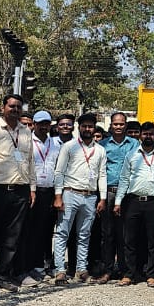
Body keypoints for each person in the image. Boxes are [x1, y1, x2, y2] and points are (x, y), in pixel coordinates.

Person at [0, 93, 35, 291]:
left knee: (12, 236)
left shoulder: (27, 132)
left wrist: (32, 188)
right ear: (3, 108)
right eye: (12, 106)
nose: (15, 110)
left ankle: (3, 275)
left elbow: (30, 162)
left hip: (20, 190)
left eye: (19, 107)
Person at [52, 114, 106, 283]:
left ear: (94, 128)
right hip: (70, 193)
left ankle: (81, 269)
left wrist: (102, 198)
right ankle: (60, 269)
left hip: (90, 196)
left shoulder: (100, 150)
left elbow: (102, 175)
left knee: (84, 234)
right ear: (79, 127)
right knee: (62, 233)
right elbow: (59, 172)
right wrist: (58, 196)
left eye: (90, 126)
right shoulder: (69, 147)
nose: (87, 129)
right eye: (84, 126)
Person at [115, 122, 154, 288]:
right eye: (145, 134)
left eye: (151, 134)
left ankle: (151, 274)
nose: (148, 137)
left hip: (153, 201)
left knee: (153, 240)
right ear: (140, 135)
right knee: (129, 239)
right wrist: (118, 202)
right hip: (133, 201)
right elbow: (124, 179)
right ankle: (129, 273)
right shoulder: (132, 155)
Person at [100, 112, 137, 282]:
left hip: (128, 193)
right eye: (115, 124)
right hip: (108, 191)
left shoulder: (135, 144)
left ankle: (125, 270)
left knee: (126, 234)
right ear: (111, 125)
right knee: (108, 233)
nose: (118, 127)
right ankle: (108, 269)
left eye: (121, 124)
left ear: (126, 125)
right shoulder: (103, 145)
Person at [25, 110, 60, 281]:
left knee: (46, 229)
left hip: (50, 190)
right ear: (34, 124)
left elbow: (59, 170)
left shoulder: (55, 144)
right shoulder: (27, 141)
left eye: (47, 123)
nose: (44, 126)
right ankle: (31, 264)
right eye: (40, 123)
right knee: (31, 229)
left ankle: (44, 263)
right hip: (33, 190)